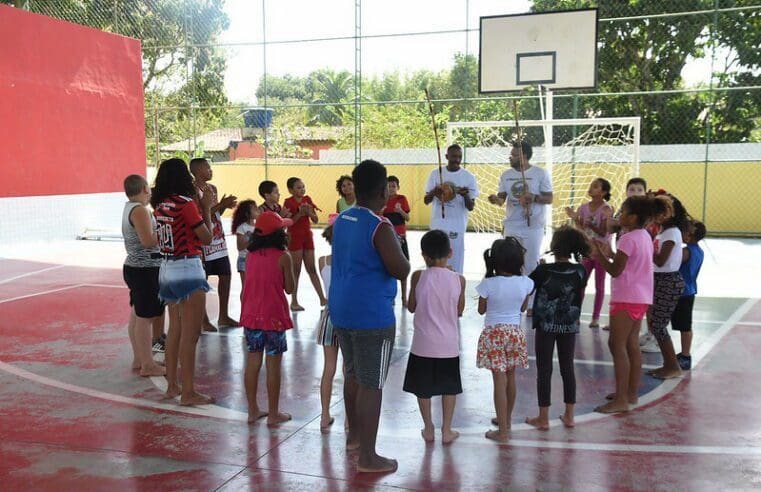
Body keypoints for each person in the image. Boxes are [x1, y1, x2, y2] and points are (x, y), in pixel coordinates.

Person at [329, 159, 410, 473]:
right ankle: (368, 457)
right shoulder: (380, 225)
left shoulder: (343, 218)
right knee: (372, 383)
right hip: (371, 314)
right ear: (382, 191)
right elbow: (400, 269)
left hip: (342, 308)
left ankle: (354, 437)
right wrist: (400, 248)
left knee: (352, 374)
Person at [590, 195, 669, 413]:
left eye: (623, 212)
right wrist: (610, 253)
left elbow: (616, 270)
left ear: (633, 217)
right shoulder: (644, 235)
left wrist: (599, 256)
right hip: (641, 297)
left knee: (616, 345)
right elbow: (629, 261)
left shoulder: (627, 238)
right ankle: (630, 393)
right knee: (631, 344)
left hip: (626, 297)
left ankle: (621, 399)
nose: (619, 216)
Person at [152, 158, 214, 406]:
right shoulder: (186, 205)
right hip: (188, 267)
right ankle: (188, 392)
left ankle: (172, 385)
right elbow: (206, 238)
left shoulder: (160, 205)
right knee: (191, 334)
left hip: (167, 267)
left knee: (175, 330)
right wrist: (207, 208)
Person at [403, 230, 466, 444]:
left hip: (422, 344)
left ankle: (428, 427)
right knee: (449, 388)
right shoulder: (459, 280)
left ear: (424, 256)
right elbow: (459, 310)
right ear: (450, 252)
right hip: (448, 345)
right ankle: (447, 430)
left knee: (423, 389)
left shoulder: (418, 276)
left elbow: (411, 307)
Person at [525, 226, 590, 430]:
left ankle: (543, 417)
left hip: (546, 326)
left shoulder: (543, 270)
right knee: (567, 368)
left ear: (554, 246)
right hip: (568, 326)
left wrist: (539, 268)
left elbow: (528, 286)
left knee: (544, 369)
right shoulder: (580, 270)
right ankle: (569, 414)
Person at [476, 237, 534, 443]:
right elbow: (523, 308)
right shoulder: (526, 283)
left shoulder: (488, 284)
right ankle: (506, 421)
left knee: (498, 382)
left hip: (494, 334)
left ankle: (502, 432)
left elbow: (481, 310)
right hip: (515, 334)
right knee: (511, 378)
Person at [240, 211, 296, 426]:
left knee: (253, 361)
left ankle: (252, 410)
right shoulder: (283, 256)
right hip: (274, 317)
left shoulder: (251, 255)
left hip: (252, 315)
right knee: (274, 365)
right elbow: (289, 288)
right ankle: (273, 413)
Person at [488, 140, 553, 315]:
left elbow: (549, 198)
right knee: (511, 262)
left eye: (515, 154)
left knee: (530, 263)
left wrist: (533, 197)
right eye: (511, 154)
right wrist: (496, 200)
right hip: (512, 224)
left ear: (524, 156)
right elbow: (502, 199)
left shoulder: (540, 173)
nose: (511, 157)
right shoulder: (506, 175)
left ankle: (531, 303)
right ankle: (514, 300)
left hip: (533, 225)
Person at [121, 174, 166, 377]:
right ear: (145, 189)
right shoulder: (139, 210)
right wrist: (166, 231)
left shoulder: (131, 208)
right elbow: (148, 241)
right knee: (145, 317)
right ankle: (147, 363)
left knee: (138, 315)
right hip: (144, 269)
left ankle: (140, 358)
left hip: (138, 268)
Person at [189, 157, 238, 331]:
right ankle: (204, 319)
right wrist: (219, 205)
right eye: (207, 168)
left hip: (218, 241)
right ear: (196, 171)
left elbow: (214, 213)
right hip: (203, 243)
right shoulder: (193, 191)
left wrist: (224, 206)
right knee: (203, 281)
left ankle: (223, 315)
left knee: (226, 276)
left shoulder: (212, 188)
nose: (211, 170)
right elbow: (200, 215)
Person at [643, 193, 687, 380]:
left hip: (667, 280)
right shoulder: (664, 232)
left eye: (659, 214)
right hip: (660, 279)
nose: (656, 218)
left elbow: (661, 260)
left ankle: (673, 366)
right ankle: (668, 364)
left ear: (668, 213)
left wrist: (647, 246)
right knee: (655, 324)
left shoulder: (671, 233)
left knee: (659, 325)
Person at [565, 178, 613, 328]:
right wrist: (575, 219)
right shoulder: (583, 207)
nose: (591, 188)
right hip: (587, 250)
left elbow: (604, 231)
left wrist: (592, 225)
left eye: (595, 186)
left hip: (601, 251)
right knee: (581, 283)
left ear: (603, 192)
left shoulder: (606, 209)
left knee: (599, 285)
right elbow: (580, 228)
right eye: (591, 186)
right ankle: (576, 314)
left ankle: (596, 317)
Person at [423, 144, 479, 274]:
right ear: (447, 156)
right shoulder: (436, 174)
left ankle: (455, 291)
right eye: (454, 156)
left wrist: (465, 195)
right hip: (438, 223)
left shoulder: (468, 177)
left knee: (454, 263)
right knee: (435, 262)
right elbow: (426, 201)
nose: (457, 160)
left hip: (457, 226)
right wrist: (434, 192)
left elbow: (471, 207)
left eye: (460, 157)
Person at [283, 177, 327, 311]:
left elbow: (315, 219)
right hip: (294, 238)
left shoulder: (307, 200)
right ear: (291, 190)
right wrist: (300, 214)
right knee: (296, 270)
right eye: (298, 187)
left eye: (303, 187)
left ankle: (322, 298)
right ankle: (294, 301)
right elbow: (287, 222)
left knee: (312, 268)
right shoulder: (288, 202)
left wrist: (309, 213)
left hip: (307, 237)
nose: (302, 190)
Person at [671, 220, 706, 371]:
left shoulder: (686, 252)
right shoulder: (699, 251)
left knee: (684, 326)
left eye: (684, 231)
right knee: (685, 325)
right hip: (689, 290)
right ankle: (684, 354)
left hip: (681, 291)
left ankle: (685, 356)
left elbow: (671, 264)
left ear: (690, 236)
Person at [316, 213, 339, 432]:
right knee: (351, 370)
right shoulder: (351, 261)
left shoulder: (323, 261)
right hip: (348, 315)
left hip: (328, 315)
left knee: (328, 368)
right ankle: (351, 420)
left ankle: (324, 415)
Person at [383, 176, 412, 306]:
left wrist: (400, 211)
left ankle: (404, 297)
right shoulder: (382, 200)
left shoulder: (402, 199)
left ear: (398, 187)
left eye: (394, 186)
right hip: (387, 238)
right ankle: (391, 296)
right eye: (389, 186)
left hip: (400, 237)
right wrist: (382, 211)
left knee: (404, 266)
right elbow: (378, 217)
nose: (391, 189)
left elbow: (408, 218)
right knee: (388, 268)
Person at [231, 199, 259, 288]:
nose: (257, 210)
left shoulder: (258, 226)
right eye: (254, 209)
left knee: (255, 286)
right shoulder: (242, 227)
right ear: (247, 214)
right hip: (244, 260)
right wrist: (252, 238)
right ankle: (244, 302)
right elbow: (240, 247)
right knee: (246, 286)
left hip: (256, 259)